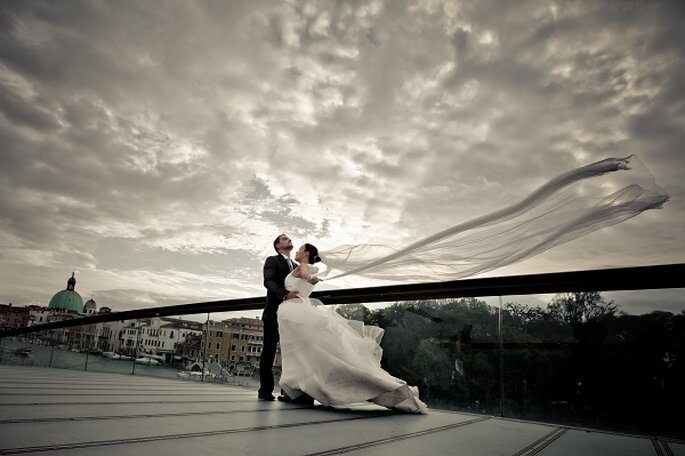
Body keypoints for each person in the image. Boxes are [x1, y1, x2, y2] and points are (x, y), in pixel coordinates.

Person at [277, 243, 428, 414]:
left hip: (295, 312)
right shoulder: (312, 268)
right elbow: (307, 278)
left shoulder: (304, 267)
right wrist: (311, 279)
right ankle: (298, 389)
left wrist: (308, 278)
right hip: (298, 311)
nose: (296, 251)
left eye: (299, 249)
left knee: (298, 352)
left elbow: (304, 275)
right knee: (303, 352)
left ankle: (300, 390)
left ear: (306, 253)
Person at [258, 233, 300, 401]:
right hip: (274, 314)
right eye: (284, 238)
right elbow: (268, 281)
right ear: (278, 245)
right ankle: (265, 391)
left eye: (289, 238)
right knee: (268, 352)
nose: (289, 239)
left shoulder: (296, 265)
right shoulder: (272, 260)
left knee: (292, 353)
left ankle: (288, 392)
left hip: (292, 316)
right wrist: (284, 295)